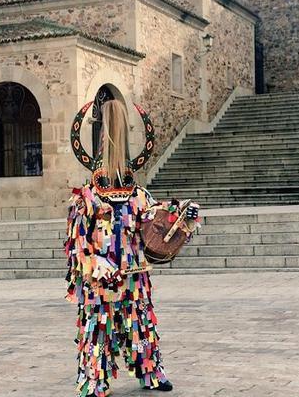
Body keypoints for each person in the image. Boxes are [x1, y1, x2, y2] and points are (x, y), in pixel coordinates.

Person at [64, 99, 199, 397]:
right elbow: (78, 245)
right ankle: (94, 378)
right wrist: (96, 263)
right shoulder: (86, 199)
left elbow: (157, 223)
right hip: (100, 281)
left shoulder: (138, 196)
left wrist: (182, 218)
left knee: (140, 322)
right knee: (98, 328)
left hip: (134, 275)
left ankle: (150, 371)